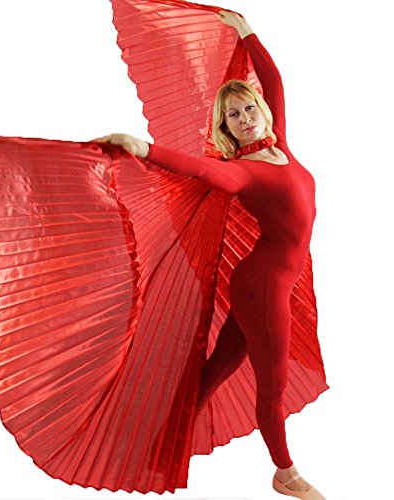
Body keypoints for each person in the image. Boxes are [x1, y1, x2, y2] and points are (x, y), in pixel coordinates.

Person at [93, 10, 326, 500]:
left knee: (218, 369)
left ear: (260, 109)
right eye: (232, 116)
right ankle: (285, 473)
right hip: (263, 287)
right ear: (226, 129)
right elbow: (200, 170)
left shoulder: (280, 147)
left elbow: (274, 82)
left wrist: (246, 31)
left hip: (262, 284)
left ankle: (159, 446)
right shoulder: (243, 171)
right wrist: (142, 147)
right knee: (273, 386)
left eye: (248, 108)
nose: (245, 118)